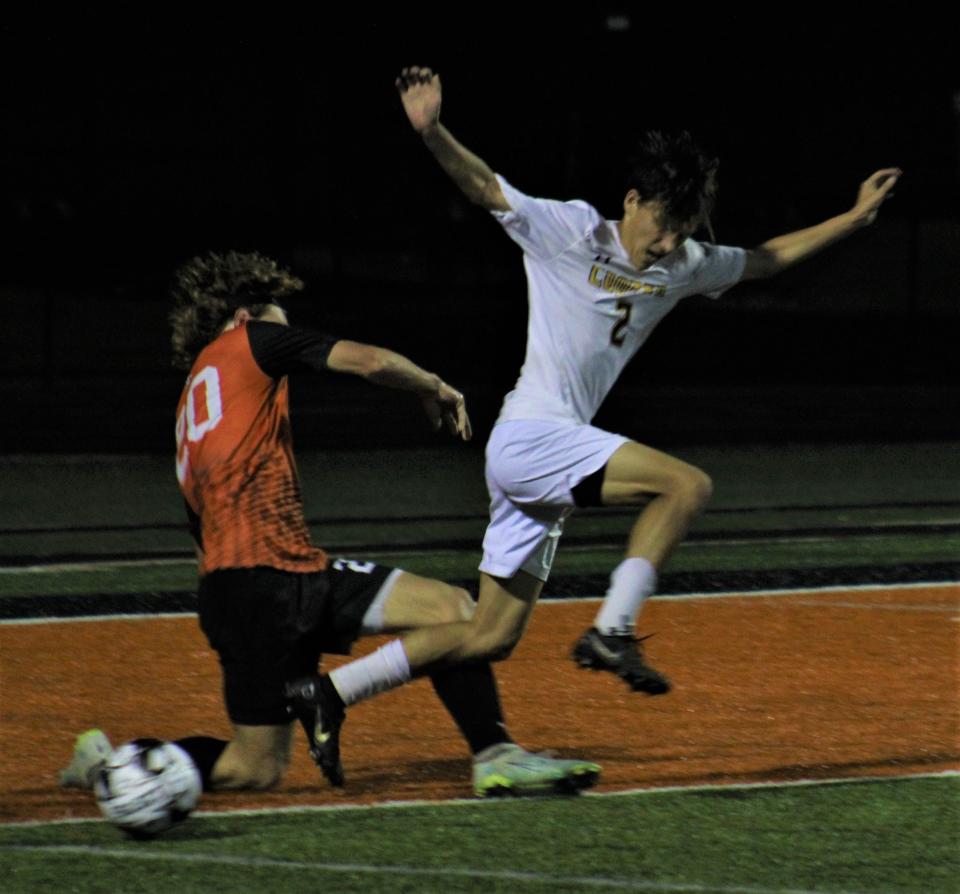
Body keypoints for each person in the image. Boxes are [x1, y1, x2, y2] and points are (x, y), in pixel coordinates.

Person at [396, 65, 901, 694]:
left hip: (545, 450)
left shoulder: (685, 263)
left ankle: (334, 691)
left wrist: (851, 220)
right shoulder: (573, 232)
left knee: (491, 637)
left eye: (681, 232)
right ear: (631, 200)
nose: (666, 243)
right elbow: (486, 188)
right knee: (685, 488)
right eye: (660, 224)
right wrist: (432, 131)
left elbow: (766, 260)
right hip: (533, 433)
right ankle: (613, 629)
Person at [60, 250, 599, 799]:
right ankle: (479, 747)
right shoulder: (249, 339)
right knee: (453, 615)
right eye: (280, 319)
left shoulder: (190, 408)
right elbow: (367, 361)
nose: (287, 332)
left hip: (243, 590)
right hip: (273, 577)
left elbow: (199, 531)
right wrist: (430, 385)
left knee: (256, 765)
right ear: (246, 315)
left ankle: (107, 767)